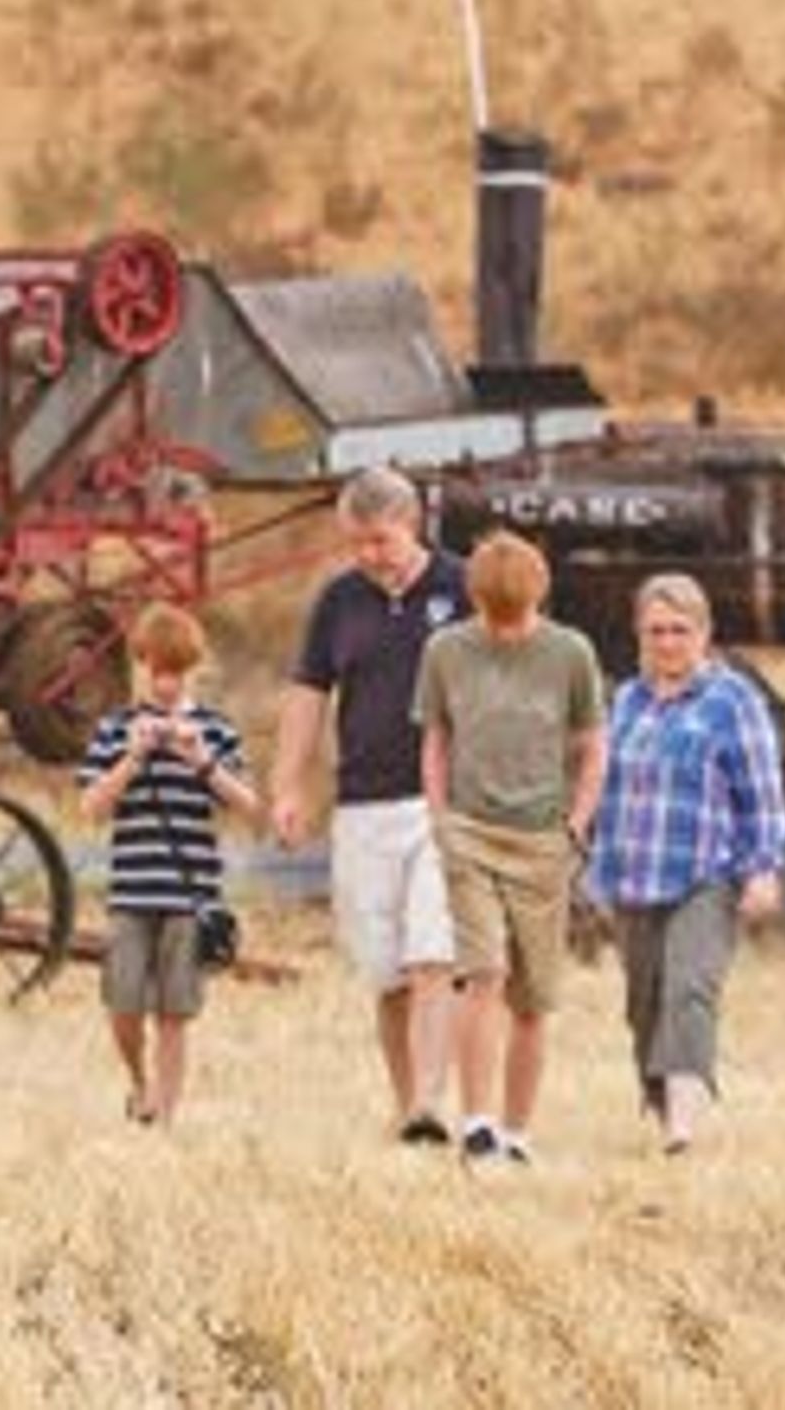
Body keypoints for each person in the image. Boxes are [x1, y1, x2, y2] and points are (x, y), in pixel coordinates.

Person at [267, 466, 471, 1145]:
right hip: (363, 802)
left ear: (410, 523)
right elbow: (307, 693)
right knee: (387, 973)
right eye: (355, 543)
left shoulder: (461, 587)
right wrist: (288, 784)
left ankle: (432, 1099)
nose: (367, 555)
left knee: (433, 955)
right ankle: (405, 1099)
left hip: (446, 803)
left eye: (378, 540)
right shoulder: (339, 601)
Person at [414, 531, 606, 1167]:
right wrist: (441, 817)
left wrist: (578, 822)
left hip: (543, 838)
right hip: (469, 832)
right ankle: (477, 1121)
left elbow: (592, 744)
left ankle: (519, 1132)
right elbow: (436, 738)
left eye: (515, 616)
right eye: (495, 618)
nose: (504, 630)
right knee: (484, 971)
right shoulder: (446, 650)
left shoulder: (570, 653)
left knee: (533, 996)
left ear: (540, 596)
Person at [588, 573, 785, 1154]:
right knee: (643, 1003)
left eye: (680, 630)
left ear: (704, 634)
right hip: (634, 875)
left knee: (688, 990)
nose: (668, 642)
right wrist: (595, 870)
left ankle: (682, 1127)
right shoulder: (626, 701)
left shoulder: (733, 702)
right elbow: (608, 791)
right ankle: (662, 1105)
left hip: (707, 872)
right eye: (656, 631)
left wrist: (763, 867)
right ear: (638, 635)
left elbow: (763, 792)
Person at [74, 602, 258, 1127]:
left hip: (191, 893)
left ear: (192, 671)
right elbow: (89, 808)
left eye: (176, 673)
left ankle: (165, 1114)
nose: (166, 684)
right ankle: (139, 1081)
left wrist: (201, 762)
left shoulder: (216, 731)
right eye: (157, 671)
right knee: (122, 1006)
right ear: (139, 667)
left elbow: (249, 806)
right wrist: (131, 760)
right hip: (131, 890)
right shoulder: (115, 729)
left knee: (175, 1013)